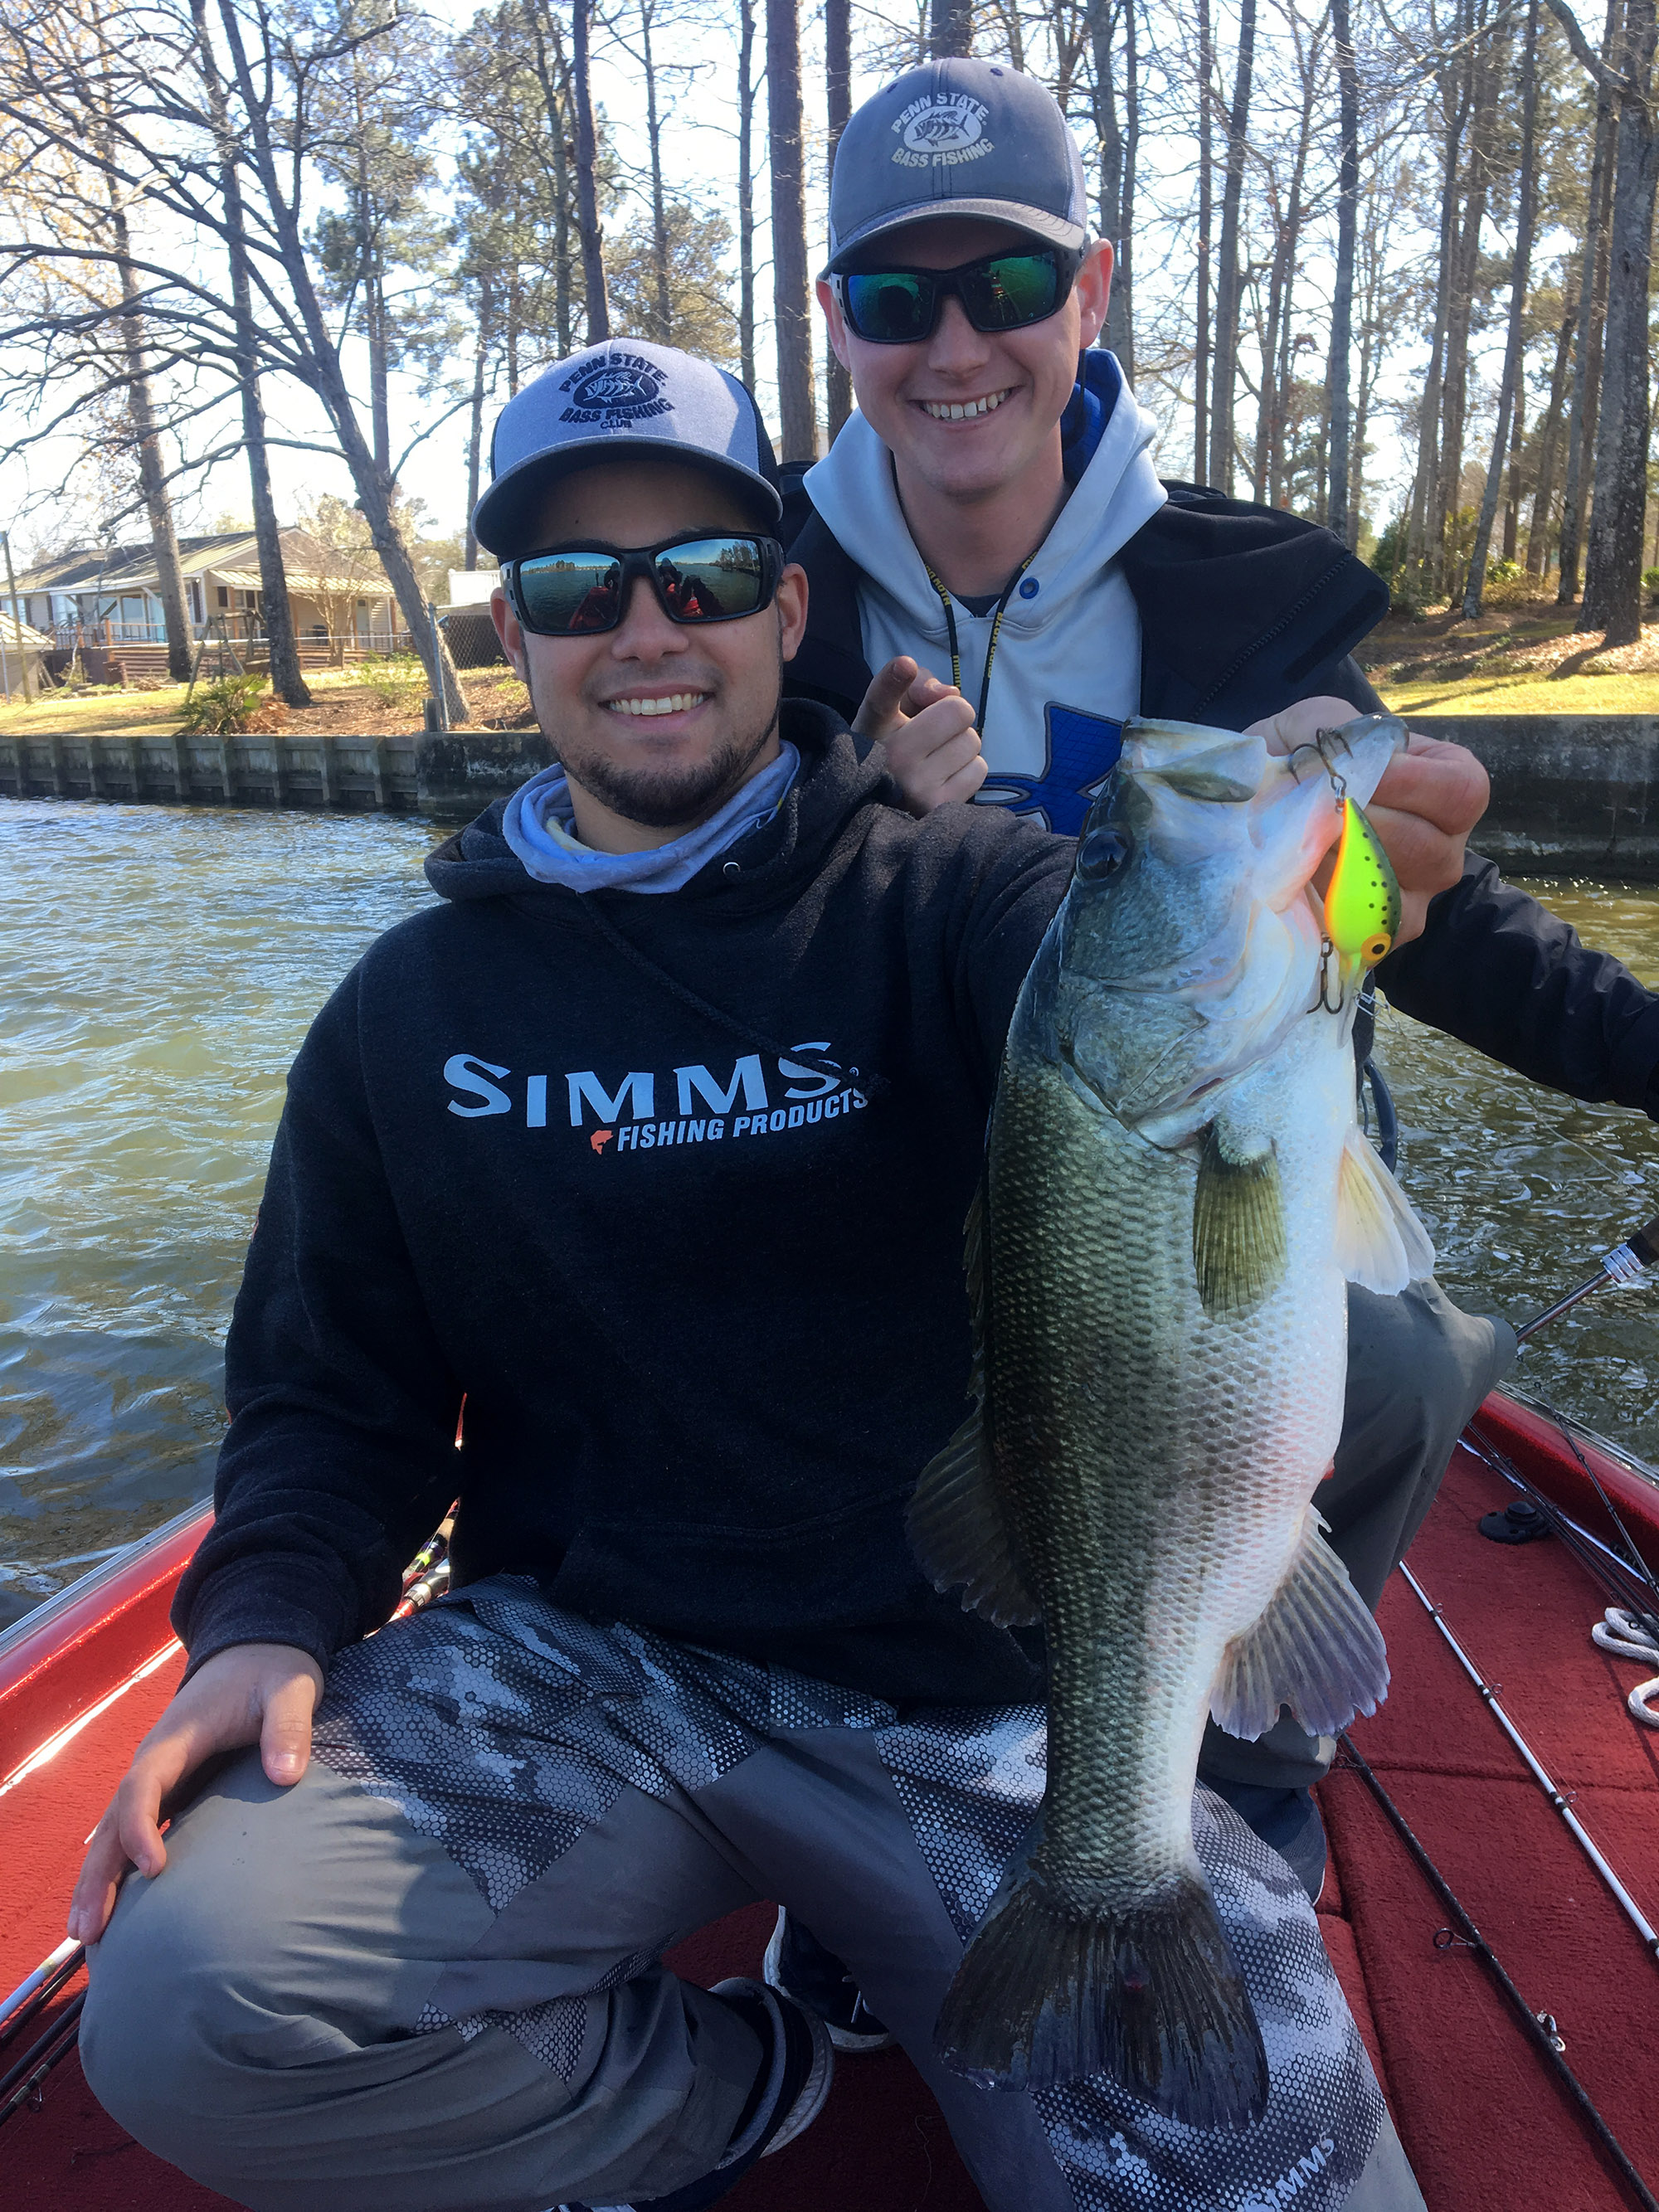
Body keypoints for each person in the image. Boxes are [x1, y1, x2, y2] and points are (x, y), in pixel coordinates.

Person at [72, 340, 1423, 2212]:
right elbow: (331, 1392)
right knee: (189, 2011)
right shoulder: (405, 1011)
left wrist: (1350, 885)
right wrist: (263, 1620)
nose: (646, 626)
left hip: (970, 1684)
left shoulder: (961, 896)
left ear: (782, 607)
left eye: (702, 574)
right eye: (576, 584)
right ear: (513, 630)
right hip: (581, 1654)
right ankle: (762, 2074)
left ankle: (975, 1929)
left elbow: (1234, 962)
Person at [780, 57, 1659, 1923]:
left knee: (1407, 1357)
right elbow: (687, 951)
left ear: (1089, 293)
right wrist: (852, 837)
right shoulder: (745, 614)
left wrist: (1392, 894)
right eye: (894, 296)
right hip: (892, 1168)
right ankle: (871, 1777)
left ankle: (1230, 1783)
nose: (955, 345)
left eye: (1007, 287)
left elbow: (1384, 915)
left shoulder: (1238, 605)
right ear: (838, 323)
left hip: (1202, 1132)